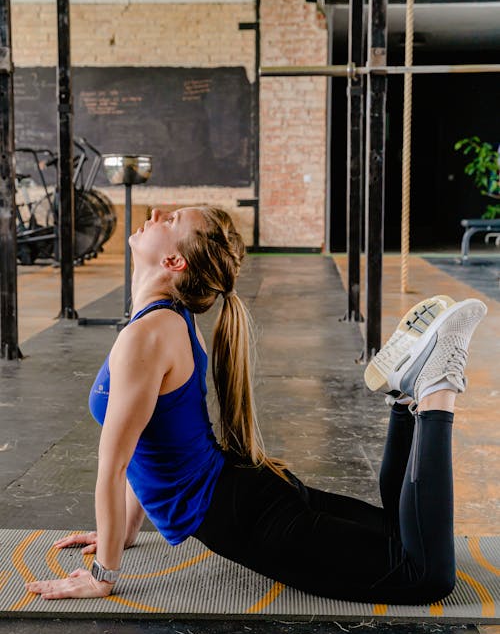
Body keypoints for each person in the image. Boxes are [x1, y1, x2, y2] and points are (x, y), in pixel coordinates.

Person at [27, 207, 487, 604]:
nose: (154, 216)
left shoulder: (148, 334)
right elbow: (152, 442)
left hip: (248, 516)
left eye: (169, 220)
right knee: (402, 535)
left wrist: (103, 577)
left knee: (424, 575)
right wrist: (123, 534)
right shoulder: (161, 324)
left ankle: (438, 386)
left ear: (173, 261)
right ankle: (406, 393)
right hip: (248, 493)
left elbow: (114, 465)